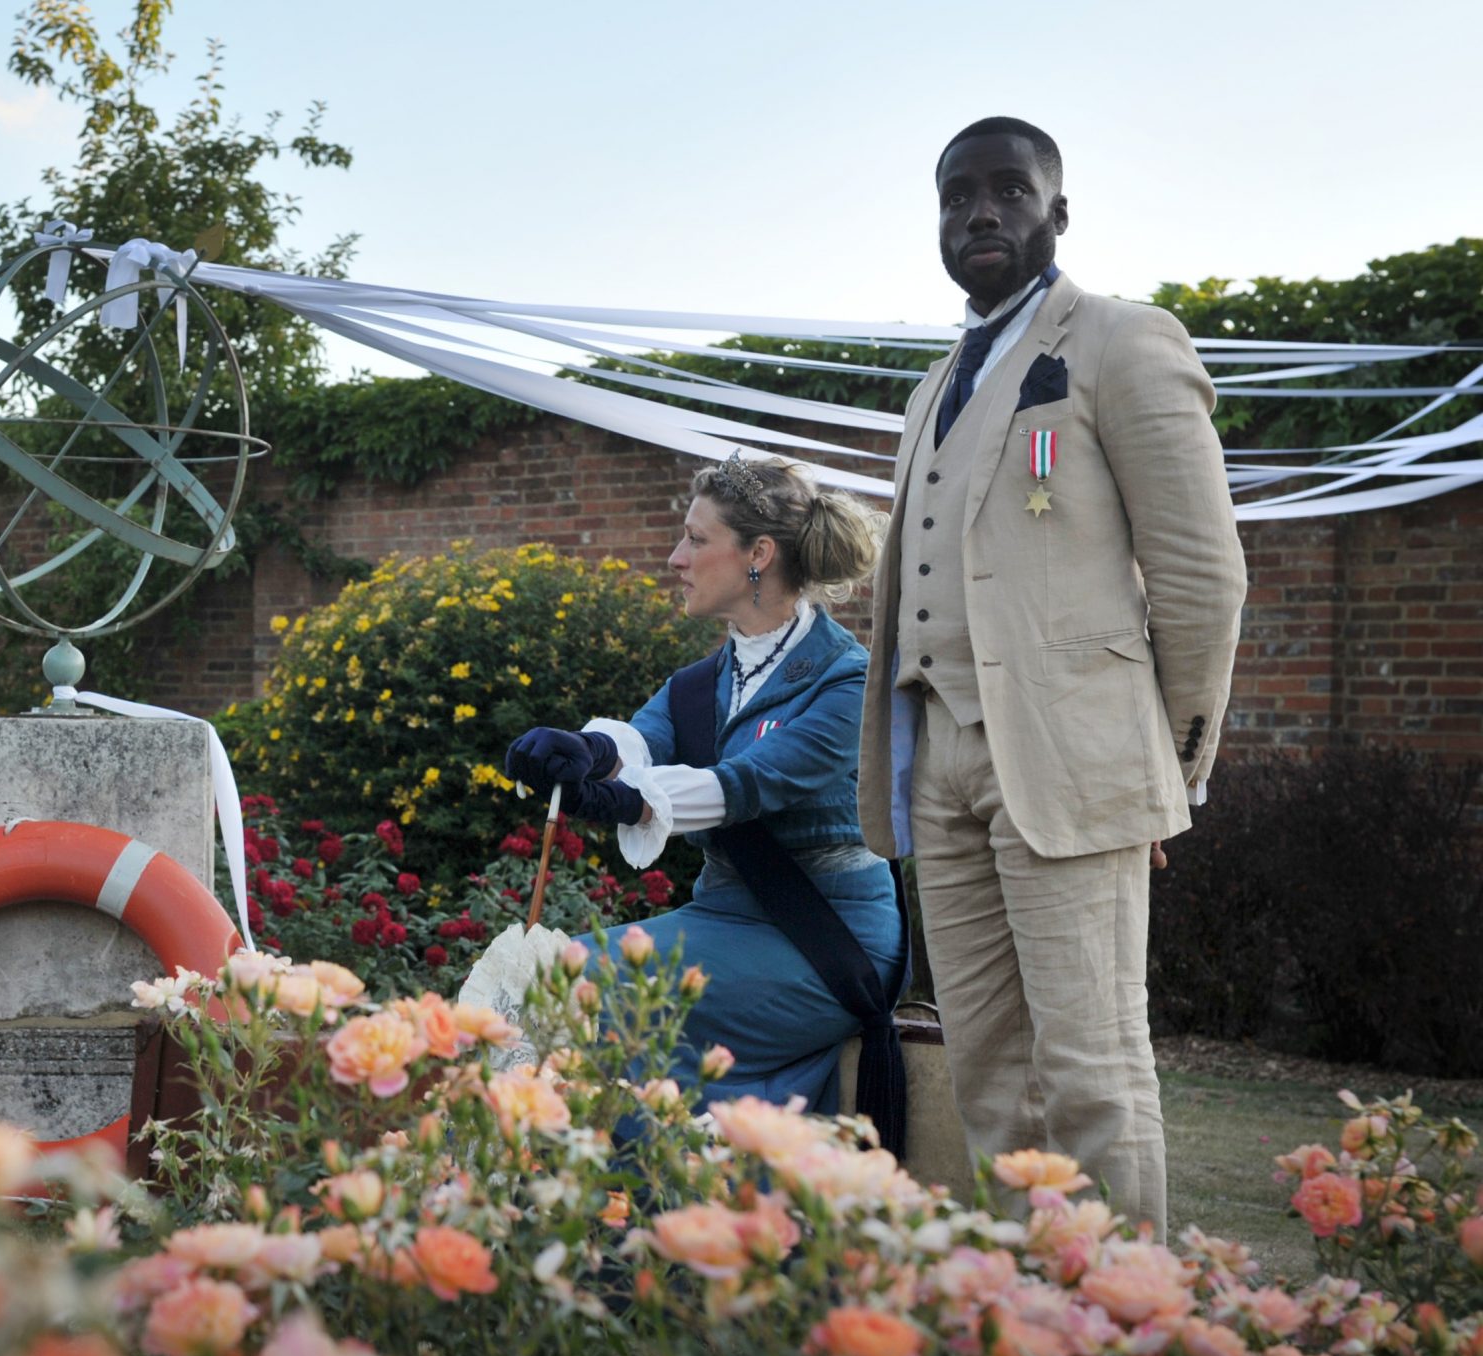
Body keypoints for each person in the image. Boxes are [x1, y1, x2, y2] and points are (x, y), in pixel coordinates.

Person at [858, 118, 1246, 1230]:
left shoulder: (1125, 342)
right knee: (984, 1069)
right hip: (936, 761)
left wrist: (1169, 766)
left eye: (1009, 192)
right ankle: (1023, 1322)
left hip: (1073, 756)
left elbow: (1200, 577)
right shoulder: (933, 384)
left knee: (1091, 1064)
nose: (979, 213)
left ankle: (1127, 1334)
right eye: (956, 197)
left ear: (1056, 213)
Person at [505, 457, 906, 1133]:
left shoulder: (845, 684)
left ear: (759, 555)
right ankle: (633, 1210)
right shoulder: (699, 684)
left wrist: (619, 803)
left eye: (695, 539)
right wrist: (584, 753)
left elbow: (750, 784)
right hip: (720, 920)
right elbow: (640, 742)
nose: (674, 558)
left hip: (827, 941)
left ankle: (657, 1201)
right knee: (546, 973)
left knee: (577, 987)